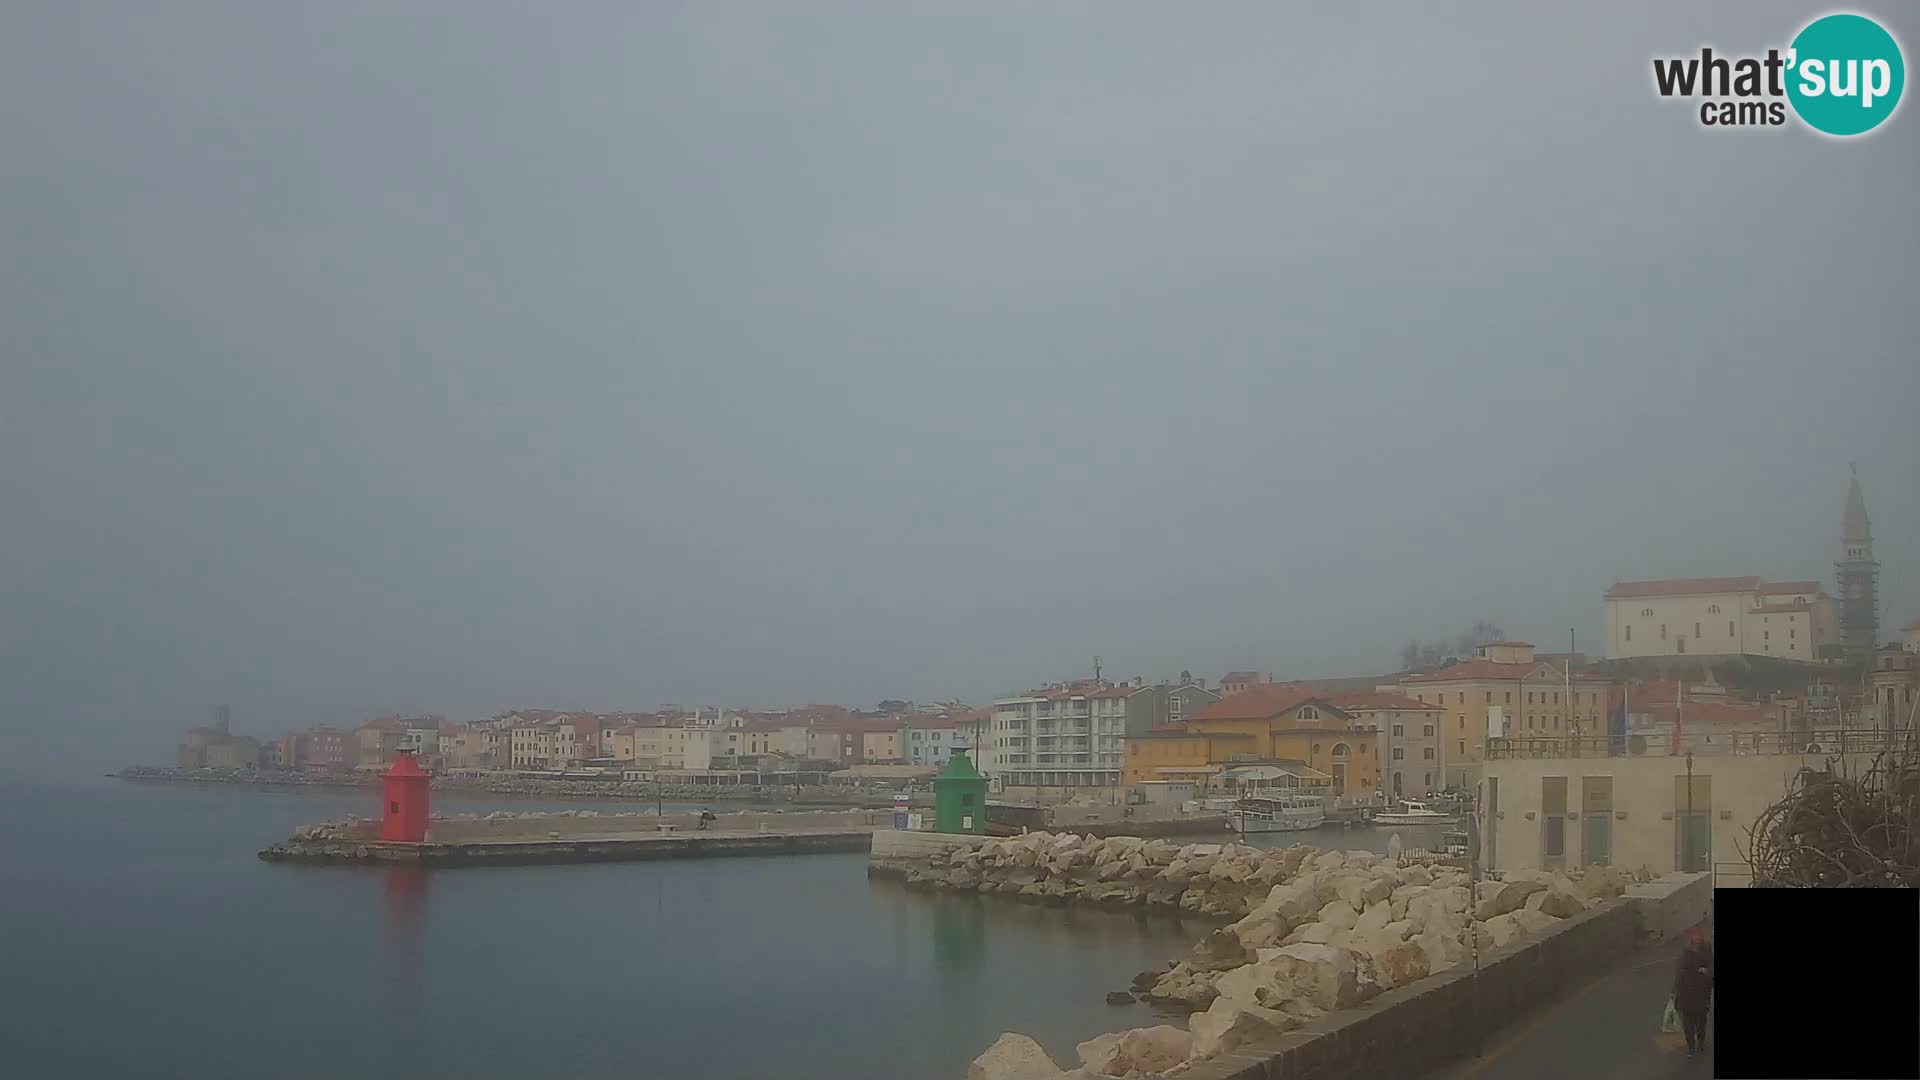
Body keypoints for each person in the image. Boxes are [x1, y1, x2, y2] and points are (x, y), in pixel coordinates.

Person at [1672, 926, 1715, 1056]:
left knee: (1701, 1019)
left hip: (1701, 990)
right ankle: (1691, 1045)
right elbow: (1679, 973)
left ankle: (1700, 1042)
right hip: (1686, 991)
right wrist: (1674, 991)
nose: (1696, 938)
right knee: (1688, 1022)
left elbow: (1712, 965)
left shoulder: (1706, 950)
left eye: (1698, 936)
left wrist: (1707, 971)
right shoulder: (1686, 952)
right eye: (1694, 936)